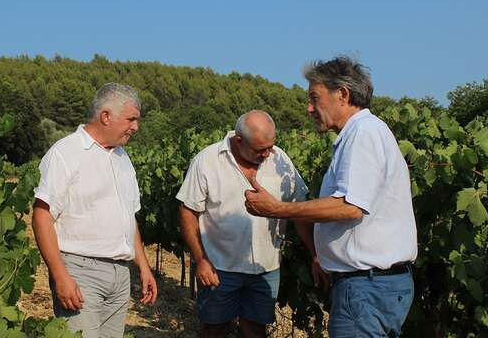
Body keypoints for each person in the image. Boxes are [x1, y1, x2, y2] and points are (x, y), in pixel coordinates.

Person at [244, 56, 418, 337]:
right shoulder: (364, 133)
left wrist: (276, 209)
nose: (309, 108)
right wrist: (323, 256)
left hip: (365, 288)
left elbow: (350, 207)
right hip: (372, 287)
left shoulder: (363, 134)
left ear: (343, 95)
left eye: (315, 98)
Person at [32, 82, 157, 338]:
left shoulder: (123, 158)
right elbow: (42, 216)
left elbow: (128, 218)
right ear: (106, 116)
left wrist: (143, 267)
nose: (136, 127)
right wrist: (60, 276)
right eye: (131, 119)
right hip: (81, 271)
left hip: (120, 274)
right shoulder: (66, 153)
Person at [177, 110, 308, 337]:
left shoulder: (280, 158)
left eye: (270, 146)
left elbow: (299, 207)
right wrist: (200, 259)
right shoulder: (207, 161)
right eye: (260, 150)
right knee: (214, 329)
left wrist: (315, 253)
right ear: (239, 140)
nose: (267, 154)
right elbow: (187, 210)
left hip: (266, 269)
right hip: (219, 267)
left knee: (256, 330)